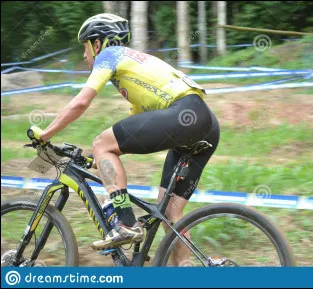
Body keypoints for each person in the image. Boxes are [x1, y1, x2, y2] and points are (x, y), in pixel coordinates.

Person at [38, 13, 220, 264]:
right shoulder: (133, 67)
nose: (84, 55)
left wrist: (45, 134)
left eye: (85, 47)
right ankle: (188, 272)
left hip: (183, 114)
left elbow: (81, 102)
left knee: (102, 142)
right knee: (170, 213)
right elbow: (136, 128)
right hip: (204, 121)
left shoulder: (109, 56)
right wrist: (96, 160)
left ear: (98, 43)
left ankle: (125, 222)